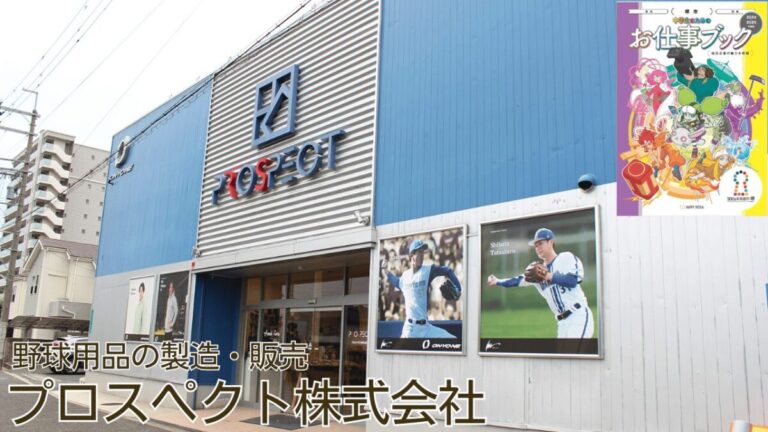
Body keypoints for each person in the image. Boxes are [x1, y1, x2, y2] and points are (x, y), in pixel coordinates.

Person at [487, 228, 594, 339]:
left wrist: (548, 275)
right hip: (562, 323)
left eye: (540, 243)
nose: (538, 248)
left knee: (575, 350)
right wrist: (497, 281)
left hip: (578, 316)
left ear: (551, 242)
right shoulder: (536, 272)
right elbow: (517, 280)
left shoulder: (565, 258)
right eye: (536, 245)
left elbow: (573, 281)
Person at [382, 239, 462, 338]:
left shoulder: (427, 271)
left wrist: (459, 288)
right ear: (412, 255)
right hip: (409, 329)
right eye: (419, 252)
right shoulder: (405, 276)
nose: (422, 255)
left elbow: (447, 271)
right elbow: (396, 282)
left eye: (423, 252)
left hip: (425, 328)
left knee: (452, 339)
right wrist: (385, 270)